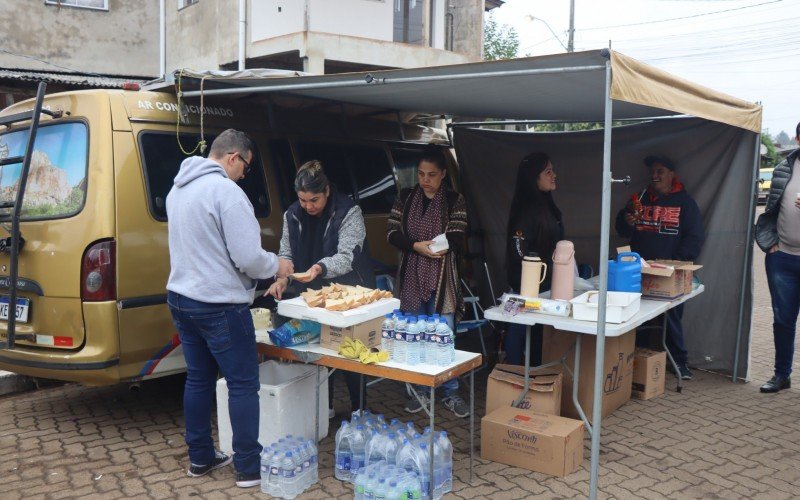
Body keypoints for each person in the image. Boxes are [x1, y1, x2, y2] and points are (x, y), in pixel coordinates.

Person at [166, 129, 293, 488]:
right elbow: (248, 258)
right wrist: (278, 266)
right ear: (234, 157)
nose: (244, 175)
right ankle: (249, 470)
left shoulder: (179, 188)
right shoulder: (227, 193)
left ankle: (200, 459)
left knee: (198, 378)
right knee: (241, 385)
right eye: (246, 167)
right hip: (219, 305)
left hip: (181, 298)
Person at [266, 160, 375, 415]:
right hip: (312, 293)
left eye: (314, 199)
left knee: (349, 352)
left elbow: (348, 255)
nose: (308, 206)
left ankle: (359, 410)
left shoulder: (348, 212)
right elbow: (286, 253)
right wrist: (283, 278)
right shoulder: (292, 214)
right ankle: (324, 410)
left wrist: (319, 268)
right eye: (303, 200)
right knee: (317, 351)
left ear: (327, 191)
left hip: (348, 290)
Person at [387, 148, 470, 418]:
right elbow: (391, 233)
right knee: (413, 336)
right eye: (421, 174)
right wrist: (415, 246)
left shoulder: (454, 200)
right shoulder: (406, 197)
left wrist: (434, 247)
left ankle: (451, 391)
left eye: (432, 175)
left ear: (443, 174)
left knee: (443, 336)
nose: (425, 180)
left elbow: (457, 235)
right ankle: (419, 391)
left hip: (443, 276)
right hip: (411, 275)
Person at [615, 155, 704, 380]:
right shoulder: (640, 198)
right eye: (652, 172)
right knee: (635, 314)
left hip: (670, 272)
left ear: (672, 174)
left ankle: (679, 362)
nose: (654, 176)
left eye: (660, 171)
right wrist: (626, 220)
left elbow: (695, 238)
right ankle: (636, 359)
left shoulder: (686, 203)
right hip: (639, 270)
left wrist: (675, 262)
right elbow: (621, 229)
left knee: (672, 317)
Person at [504, 152, 563, 366]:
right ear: (534, 177)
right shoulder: (525, 211)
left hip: (546, 286)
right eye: (548, 171)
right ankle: (512, 374)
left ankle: (536, 374)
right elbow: (518, 251)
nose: (554, 175)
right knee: (518, 329)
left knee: (538, 332)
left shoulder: (547, 205)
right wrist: (531, 278)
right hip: (526, 287)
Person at [755, 122, 800, 393]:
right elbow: (770, 210)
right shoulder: (784, 168)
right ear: (797, 138)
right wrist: (771, 244)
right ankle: (781, 375)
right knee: (783, 321)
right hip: (782, 258)